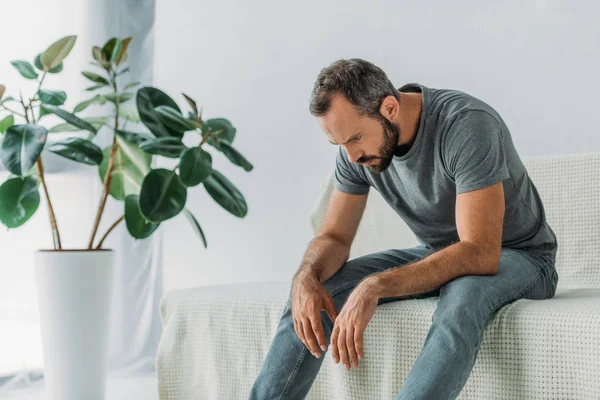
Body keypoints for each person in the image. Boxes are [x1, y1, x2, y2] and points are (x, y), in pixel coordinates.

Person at [248, 58, 558, 400]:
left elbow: (480, 252)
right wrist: (306, 276)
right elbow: (334, 237)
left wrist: (377, 285)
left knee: (464, 294)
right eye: (340, 145)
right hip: (438, 254)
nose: (351, 156)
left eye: (354, 138)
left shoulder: (466, 124)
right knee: (314, 290)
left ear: (390, 107)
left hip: (519, 256)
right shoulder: (357, 151)